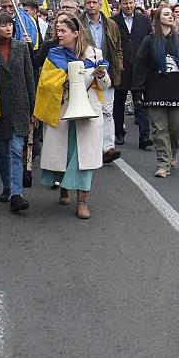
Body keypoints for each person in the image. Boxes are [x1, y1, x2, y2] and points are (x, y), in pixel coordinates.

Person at [35, 18, 110, 218]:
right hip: (63, 111)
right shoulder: (54, 55)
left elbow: (104, 86)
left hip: (88, 111)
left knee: (83, 157)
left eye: (63, 31)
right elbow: (46, 83)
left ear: (76, 33)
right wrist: (63, 83)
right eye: (57, 30)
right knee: (65, 154)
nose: (59, 34)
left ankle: (82, 202)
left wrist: (101, 75)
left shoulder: (95, 54)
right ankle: (64, 188)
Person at [132, 7, 179, 177]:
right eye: (166, 14)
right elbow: (140, 67)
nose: (171, 16)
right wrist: (138, 92)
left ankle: (172, 153)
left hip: (177, 91)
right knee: (159, 130)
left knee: (176, 129)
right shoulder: (149, 41)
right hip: (155, 92)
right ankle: (163, 163)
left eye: (171, 14)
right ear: (157, 19)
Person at [0, 11, 36, 211]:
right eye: (3, 25)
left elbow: (29, 78)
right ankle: (7, 185)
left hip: (20, 105)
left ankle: (17, 194)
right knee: (1, 152)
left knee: (16, 149)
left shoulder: (21, 48)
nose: (8, 28)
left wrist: (33, 109)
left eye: (10, 24)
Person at [80, 0, 123, 163]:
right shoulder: (79, 24)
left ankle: (108, 148)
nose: (91, 6)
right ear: (85, 4)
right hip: (85, 74)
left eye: (94, 2)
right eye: (88, 3)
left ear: (100, 4)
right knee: (88, 111)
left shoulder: (110, 24)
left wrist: (117, 65)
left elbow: (118, 47)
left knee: (107, 111)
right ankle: (89, 147)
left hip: (106, 73)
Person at [111, 0, 153, 150]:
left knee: (140, 102)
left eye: (131, 2)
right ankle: (119, 132)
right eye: (125, 3)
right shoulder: (113, 21)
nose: (128, 6)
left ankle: (145, 136)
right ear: (120, 4)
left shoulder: (144, 20)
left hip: (140, 67)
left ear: (135, 3)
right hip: (121, 67)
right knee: (119, 102)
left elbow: (150, 40)